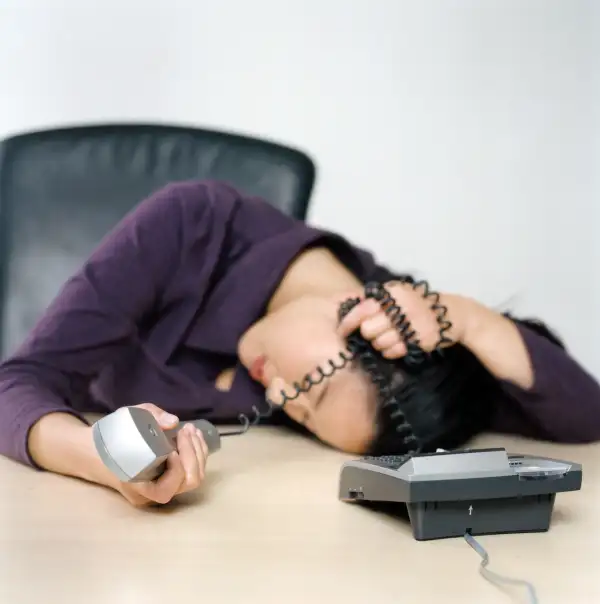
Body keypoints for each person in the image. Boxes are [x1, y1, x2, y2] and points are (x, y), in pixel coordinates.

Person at [0, 180, 598, 507]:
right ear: (357, 315)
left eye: (300, 416)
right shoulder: (188, 224)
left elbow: (585, 415)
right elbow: (16, 384)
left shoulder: (411, 386)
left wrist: (472, 322)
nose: (279, 395)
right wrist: (106, 464)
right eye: (310, 391)